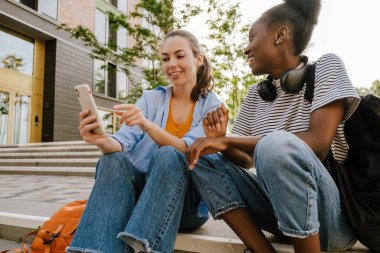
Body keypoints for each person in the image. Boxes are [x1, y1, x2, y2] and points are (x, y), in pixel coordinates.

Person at [184, 0, 361, 252]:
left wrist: (229, 140)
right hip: (277, 215)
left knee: (275, 144)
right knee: (200, 156)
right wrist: (220, 141)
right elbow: (245, 160)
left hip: (330, 222)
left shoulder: (326, 67)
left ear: (281, 35)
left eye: (252, 37)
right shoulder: (255, 94)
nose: (246, 49)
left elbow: (319, 143)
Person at [67, 29, 222, 253]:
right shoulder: (151, 98)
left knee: (168, 154)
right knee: (112, 160)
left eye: (179, 56)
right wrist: (100, 139)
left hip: (186, 206)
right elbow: (121, 142)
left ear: (198, 60)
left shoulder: (212, 107)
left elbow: (188, 150)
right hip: (143, 198)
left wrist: (147, 124)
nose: (171, 64)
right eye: (165, 58)